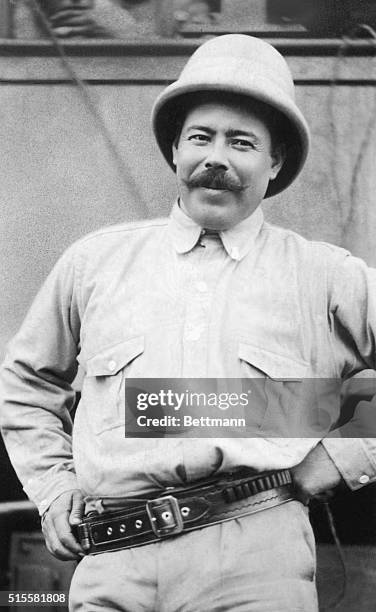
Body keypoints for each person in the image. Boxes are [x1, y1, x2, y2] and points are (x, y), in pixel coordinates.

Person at [1, 34, 376, 612]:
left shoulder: (325, 277)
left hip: (256, 557)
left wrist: (349, 453)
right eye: (200, 137)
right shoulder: (94, 264)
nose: (216, 158)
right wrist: (53, 492)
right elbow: (25, 384)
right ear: (175, 150)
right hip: (111, 561)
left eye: (242, 142)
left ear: (274, 163)